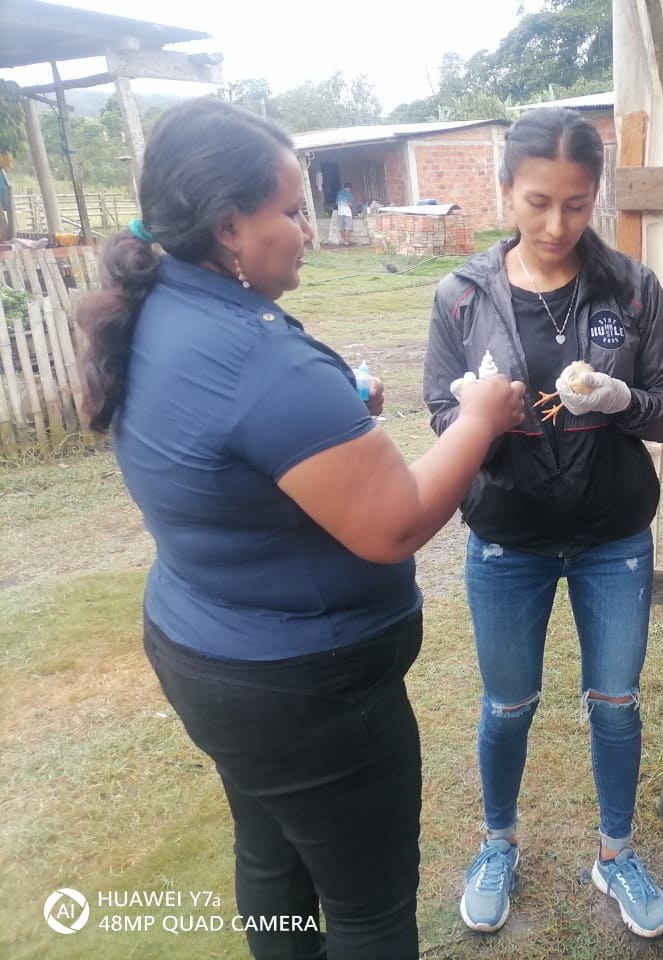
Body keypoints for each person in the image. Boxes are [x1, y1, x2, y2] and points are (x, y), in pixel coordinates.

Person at [75, 97, 526, 960]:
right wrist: (479, 419)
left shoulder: (160, 309)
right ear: (229, 226)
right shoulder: (258, 355)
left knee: (272, 857)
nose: (308, 232)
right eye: (290, 211)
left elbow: (229, 452)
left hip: (210, 651)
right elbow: (393, 524)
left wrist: (336, 419)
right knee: (368, 909)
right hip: (308, 691)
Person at [422, 106, 663, 939]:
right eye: (538, 202)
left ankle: (616, 852)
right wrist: (479, 415)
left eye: (576, 204)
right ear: (506, 190)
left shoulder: (632, 289)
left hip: (613, 537)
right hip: (508, 537)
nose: (556, 224)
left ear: (595, 196)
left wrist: (621, 398)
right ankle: (497, 843)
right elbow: (439, 411)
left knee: (616, 703)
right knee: (507, 705)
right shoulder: (463, 295)